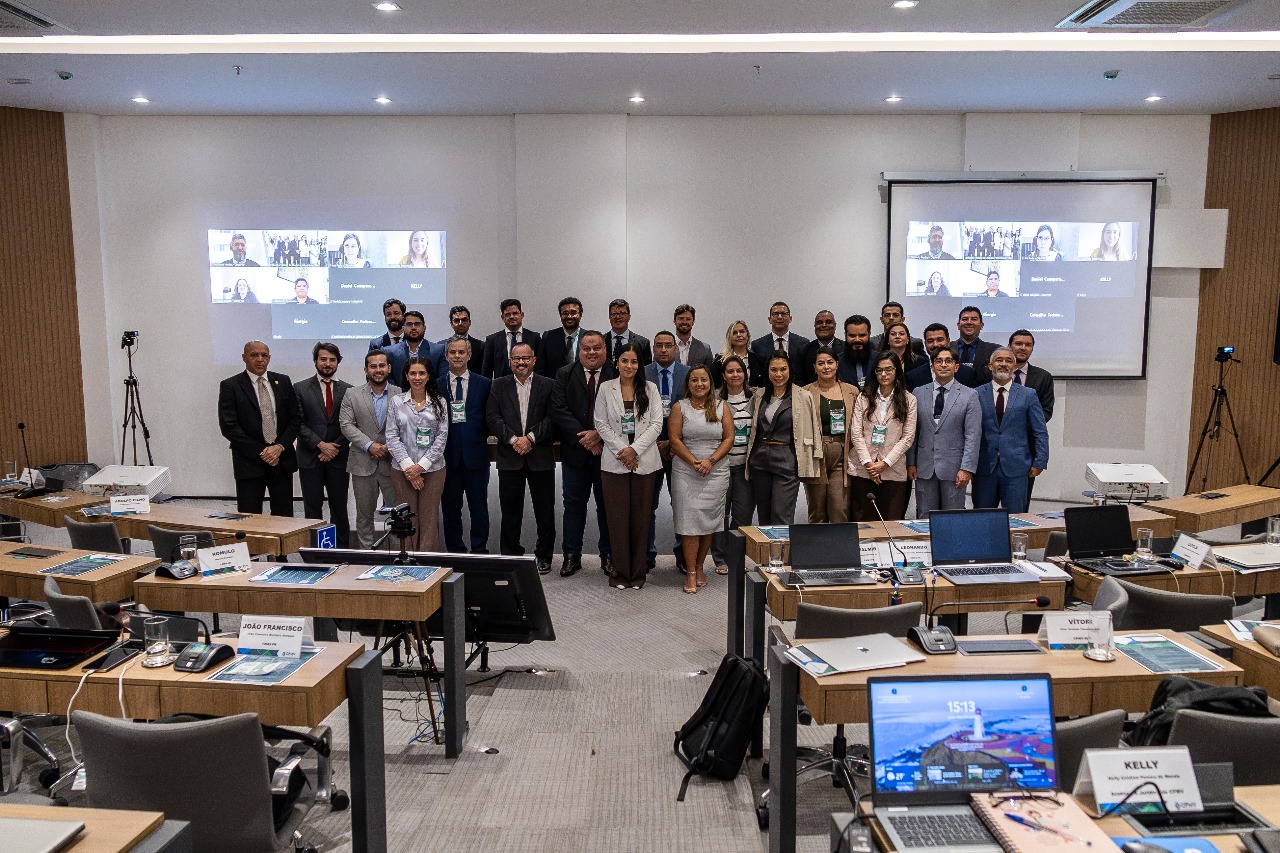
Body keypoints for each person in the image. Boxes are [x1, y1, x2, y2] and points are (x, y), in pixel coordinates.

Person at [594, 345, 663, 590]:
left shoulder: (650, 388)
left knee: (641, 518)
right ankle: (621, 574)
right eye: (625, 361)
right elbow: (600, 424)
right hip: (614, 461)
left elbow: (656, 425)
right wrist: (623, 451)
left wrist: (635, 450)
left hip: (644, 461)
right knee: (617, 519)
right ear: (617, 362)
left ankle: (637, 574)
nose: (629, 366)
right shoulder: (605, 388)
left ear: (639, 364)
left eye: (634, 362)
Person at [485, 342, 556, 573]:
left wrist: (531, 438)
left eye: (526, 358)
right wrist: (515, 440)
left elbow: (553, 418)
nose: (521, 362)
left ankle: (544, 556)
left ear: (534, 360)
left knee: (545, 512)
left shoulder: (549, 385)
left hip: (540, 457)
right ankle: (510, 555)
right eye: (516, 359)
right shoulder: (498, 385)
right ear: (510, 361)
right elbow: (493, 418)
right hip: (510, 457)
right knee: (510, 512)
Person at [550, 330, 615, 577]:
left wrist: (599, 434)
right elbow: (559, 410)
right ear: (579, 351)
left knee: (606, 506)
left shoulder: (615, 373)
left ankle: (607, 555)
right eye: (586, 348)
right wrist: (587, 439)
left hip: (607, 453)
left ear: (605, 350)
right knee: (573, 506)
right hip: (575, 453)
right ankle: (571, 555)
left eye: (596, 347)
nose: (591, 352)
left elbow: (620, 410)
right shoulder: (565, 374)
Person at [668, 365, 734, 593]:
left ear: (710, 382)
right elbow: (674, 439)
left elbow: (729, 438)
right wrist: (695, 462)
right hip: (686, 470)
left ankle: (699, 566)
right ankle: (691, 572)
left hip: (715, 470)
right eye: (694, 380)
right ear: (688, 383)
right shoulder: (680, 407)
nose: (699, 384)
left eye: (703, 380)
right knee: (689, 522)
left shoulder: (721, 406)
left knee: (709, 521)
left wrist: (710, 461)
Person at [217, 341, 301, 516]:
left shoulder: (283, 381)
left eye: (264, 355)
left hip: (281, 459)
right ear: (244, 358)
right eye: (254, 355)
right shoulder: (231, 385)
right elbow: (229, 426)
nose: (260, 359)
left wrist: (279, 447)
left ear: (269, 358)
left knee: (284, 515)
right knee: (250, 517)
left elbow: (295, 418)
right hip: (249, 462)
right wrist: (263, 452)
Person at [744, 351, 823, 525]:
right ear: (767, 371)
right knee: (763, 517)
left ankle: (783, 553)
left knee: (781, 515)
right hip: (760, 461)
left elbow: (813, 430)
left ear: (790, 370)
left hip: (787, 460)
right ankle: (768, 553)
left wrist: (814, 458)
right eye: (774, 370)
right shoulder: (759, 395)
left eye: (783, 369)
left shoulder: (803, 396)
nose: (778, 374)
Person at [972, 347, 1049, 514]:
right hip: (984, 467)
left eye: (1008, 361)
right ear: (990, 366)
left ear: (1014, 367)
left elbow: (1040, 431)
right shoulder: (976, 394)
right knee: (982, 518)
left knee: (1016, 520)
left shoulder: (1028, 394)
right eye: (999, 360)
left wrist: (1040, 461)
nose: (1003, 364)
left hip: (1018, 468)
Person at [906, 348, 981, 518]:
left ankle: (953, 545)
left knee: (953, 517)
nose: (943, 364)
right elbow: (913, 431)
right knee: (925, 516)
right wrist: (911, 462)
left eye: (948, 361)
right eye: (939, 361)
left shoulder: (970, 395)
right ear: (932, 366)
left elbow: (973, 435)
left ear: (956, 367)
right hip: (924, 466)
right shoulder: (918, 392)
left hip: (955, 468)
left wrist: (966, 468)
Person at [384, 356, 449, 551]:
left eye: (422, 373)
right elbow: (391, 436)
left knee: (429, 519)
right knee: (407, 518)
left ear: (429, 376)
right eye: (413, 373)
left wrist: (421, 467)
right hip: (402, 471)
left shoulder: (440, 402)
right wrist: (409, 468)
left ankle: (427, 566)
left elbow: (442, 437)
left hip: (434, 470)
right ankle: (409, 564)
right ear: (406, 376)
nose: (417, 377)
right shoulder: (397, 402)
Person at [339, 350, 401, 548]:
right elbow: (346, 425)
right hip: (363, 464)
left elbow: (406, 426)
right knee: (364, 515)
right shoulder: (352, 394)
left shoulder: (400, 394)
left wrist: (388, 447)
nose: (378, 370)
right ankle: (366, 556)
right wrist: (370, 446)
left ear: (389, 368)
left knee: (397, 514)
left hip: (393, 463)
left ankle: (396, 556)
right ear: (366, 370)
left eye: (382, 366)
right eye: (373, 366)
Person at [294, 342, 351, 547]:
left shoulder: (348, 390)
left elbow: (350, 425)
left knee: (339, 508)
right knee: (312, 508)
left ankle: (342, 550)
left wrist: (333, 448)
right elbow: (297, 423)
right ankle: (315, 552)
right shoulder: (300, 388)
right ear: (315, 361)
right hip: (310, 457)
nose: (327, 364)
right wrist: (320, 445)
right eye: (323, 359)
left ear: (338, 362)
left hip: (338, 457)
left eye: (332, 360)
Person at [849, 352, 917, 522]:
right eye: (879, 370)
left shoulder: (909, 399)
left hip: (892, 469)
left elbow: (908, 437)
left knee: (890, 521)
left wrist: (884, 463)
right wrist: (869, 463)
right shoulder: (863, 397)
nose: (884, 374)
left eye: (888, 370)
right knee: (863, 522)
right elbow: (856, 433)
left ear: (897, 371)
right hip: (863, 469)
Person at [439, 335, 491, 554]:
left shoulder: (485, 383)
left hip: (476, 456)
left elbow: (490, 417)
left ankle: (479, 550)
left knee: (479, 508)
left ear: (469, 355)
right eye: (453, 352)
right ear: (446, 356)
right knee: (451, 509)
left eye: (461, 352)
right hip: (447, 458)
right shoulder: (437, 384)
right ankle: (456, 551)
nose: (457, 356)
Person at [644, 331, 689, 571]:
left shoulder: (688, 373)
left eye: (668, 345)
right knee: (647, 505)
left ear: (675, 349)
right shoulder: (642, 373)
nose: (663, 350)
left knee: (680, 504)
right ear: (653, 348)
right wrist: (653, 444)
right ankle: (647, 555)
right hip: (648, 449)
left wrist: (672, 443)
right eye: (659, 345)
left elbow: (694, 411)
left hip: (679, 450)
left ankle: (682, 555)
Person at [709, 355, 756, 572]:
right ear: (723, 375)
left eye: (739, 371)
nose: (735, 375)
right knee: (720, 513)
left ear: (745, 374)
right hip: (721, 466)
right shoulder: (715, 399)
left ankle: (736, 557)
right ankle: (719, 558)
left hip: (745, 467)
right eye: (730, 371)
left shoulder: (755, 397)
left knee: (743, 515)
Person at [803, 349, 858, 523]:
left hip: (842, 453)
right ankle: (817, 549)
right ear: (814, 367)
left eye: (830, 362)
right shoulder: (805, 393)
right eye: (821, 363)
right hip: (815, 455)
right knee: (817, 511)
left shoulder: (852, 391)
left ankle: (838, 549)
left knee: (839, 509)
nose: (826, 367)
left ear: (837, 364)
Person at [905, 323, 982, 391]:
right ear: (925, 344)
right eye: (930, 341)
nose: (935, 344)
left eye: (940, 340)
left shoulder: (968, 374)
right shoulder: (913, 376)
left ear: (948, 341)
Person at [481, 298, 541, 379]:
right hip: (501, 388)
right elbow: (486, 371)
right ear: (502, 317)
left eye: (515, 313)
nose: (512, 317)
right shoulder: (492, 340)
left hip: (529, 386)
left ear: (522, 315)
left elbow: (540, 367)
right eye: (507, 314)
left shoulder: (535, 338)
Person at [383, 311, 445, 388]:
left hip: (430, 397)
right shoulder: (390, 352)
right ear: (403, 328)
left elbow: (442, 379)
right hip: (399, 397)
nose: (413, 328)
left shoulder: (438, 351)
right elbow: (388, 379)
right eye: (409, 324)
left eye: (417, 324)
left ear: (424, 328)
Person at [750, 301, 810, 378]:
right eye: (775, 314)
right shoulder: (757, 345)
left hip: (797, 387)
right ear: (769, 319)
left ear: (790, 318)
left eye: (783, 314)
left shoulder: (803, 343)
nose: (779, 317)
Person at [535, 296, 584, 378]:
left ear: (580, 315)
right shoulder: (548, 337)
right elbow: (540, 369)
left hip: (583, 389)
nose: (569, 316)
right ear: (560, 316)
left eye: (573, 312)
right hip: (555, 388)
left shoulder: (589, 337)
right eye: (565, 313)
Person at [796, 310, 846, 386]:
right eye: (819, 322)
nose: (824, 325)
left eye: (828, 322)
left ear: (835, 326)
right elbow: (797, 379)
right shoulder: (803, 351)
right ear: (815, 326)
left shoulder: (846, 348)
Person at [712, 320, 766, 388]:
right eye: (734, 333)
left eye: (742, 332)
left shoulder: (759, 360)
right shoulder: (720, 360)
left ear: (747, 335)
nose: (739, 335)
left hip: (754, 397)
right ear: (729, 337)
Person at [605, 298, 652, 367]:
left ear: (629, 317)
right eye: (614, 314)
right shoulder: (601, 341)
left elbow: (646, 370)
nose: (618, 317)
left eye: (622, 313)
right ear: (609, 317)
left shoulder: (643, 343)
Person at [951, 306, 998, 370]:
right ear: (958, 325)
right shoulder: (947, 348)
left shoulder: (994, 350)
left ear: (981, 325)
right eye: (965, 319)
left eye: (974, 319)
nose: (969, 322)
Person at [439, 305, 483, 374]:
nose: (460, 323)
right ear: (451, 324)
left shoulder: (481, 346)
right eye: (456, 320)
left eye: (464, 320)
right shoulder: (441, 346)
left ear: (470, 322)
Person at [672, 304, 713, 370]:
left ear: (693, 322)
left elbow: (710, 376)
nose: (684, 322)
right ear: (674, 321)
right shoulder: (665, 347)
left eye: (688, 319)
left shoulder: (705, 349)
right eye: (681, 318)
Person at [838, 314, 874, 388]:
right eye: (852, 336)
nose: (857, 339)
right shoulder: (836, 362)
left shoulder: (879, 359)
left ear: (869, 334)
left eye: (862, 335)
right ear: (845, 335)